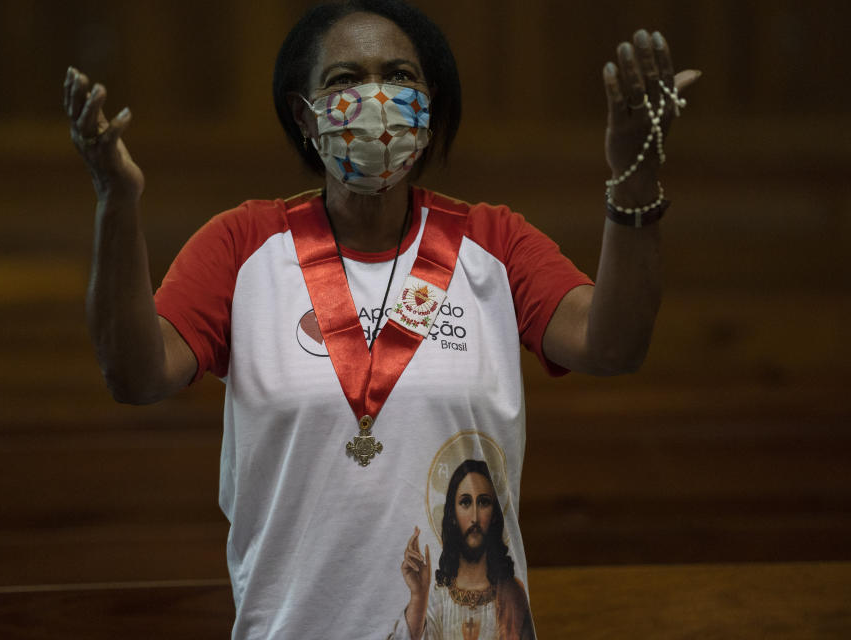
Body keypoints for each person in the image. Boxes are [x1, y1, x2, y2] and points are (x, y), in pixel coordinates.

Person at [63, 1, 699, 637]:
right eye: (344, 80)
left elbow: (613, 345)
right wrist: (116, 202)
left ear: (430, 104)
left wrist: (635, 178)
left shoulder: (494, 243)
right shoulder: (242, 246)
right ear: (302, 115)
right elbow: (136, 376)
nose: (374, 97)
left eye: (400, 76)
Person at [393, 459, 533, 639]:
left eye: (483, 502)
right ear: (452, 515)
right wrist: (419, 596)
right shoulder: (435, 601)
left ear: (494, 516)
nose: (475, 517)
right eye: (466, 502)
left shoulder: (512, 597)